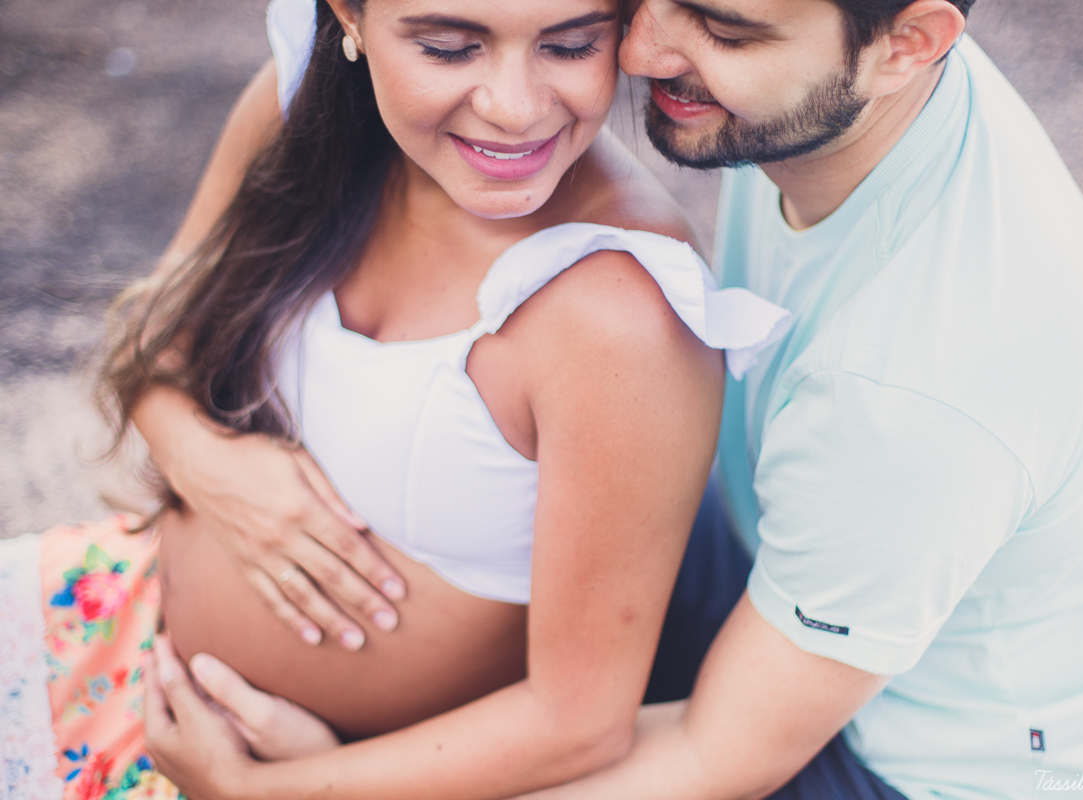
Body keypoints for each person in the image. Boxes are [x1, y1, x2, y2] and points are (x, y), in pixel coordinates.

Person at [178, 0, 1083, 798]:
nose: (642, 49)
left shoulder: (914, 387)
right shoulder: (834, 87)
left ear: (908, 46)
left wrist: (290, 789)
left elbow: (720, 752)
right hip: (795, 561)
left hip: (941, 767)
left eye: (724, 29)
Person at [0, 0, 791, 798]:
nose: (514, 107)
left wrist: (257, 789)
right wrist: (210, 464)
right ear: (350, 16)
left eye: (571, 45)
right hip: (117, 620)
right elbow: (153, 329)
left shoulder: (621, 312)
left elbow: (578, 721)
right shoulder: (301, 106)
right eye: (448, 48)